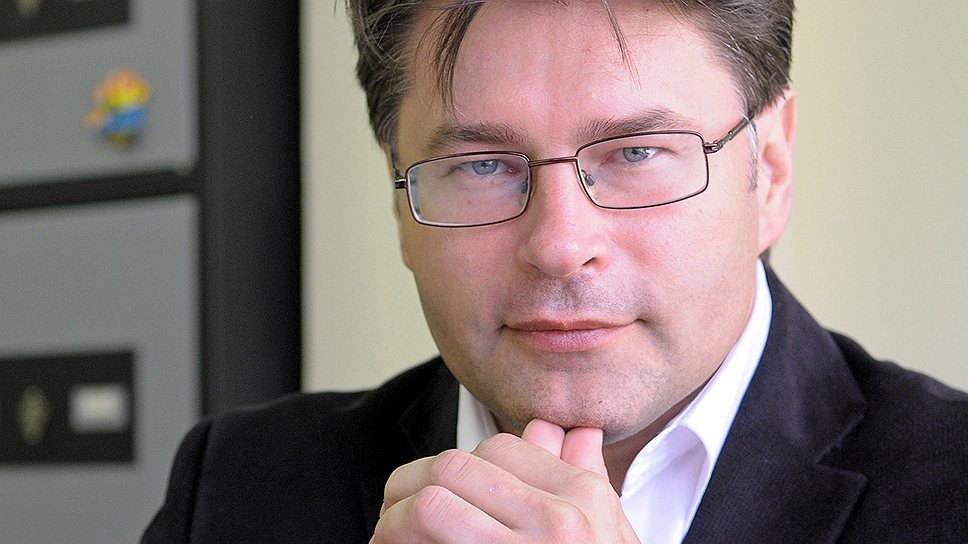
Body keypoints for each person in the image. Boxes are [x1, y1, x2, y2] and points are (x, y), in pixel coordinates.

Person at [142, 1, 968, 542]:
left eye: (637, 152)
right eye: (482, 165)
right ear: (399, 198)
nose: (560, 244)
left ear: (772, 168)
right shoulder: (236, 486)